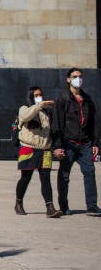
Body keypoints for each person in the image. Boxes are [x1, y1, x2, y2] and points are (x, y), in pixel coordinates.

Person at [52, 68, 99, 216]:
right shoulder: (63, 99)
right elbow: (57, 123)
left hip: (85, 143)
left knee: (90, 172)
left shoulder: (87, 99)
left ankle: (92, 206)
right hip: (68, 143)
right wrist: (57, 146)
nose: (78, 79)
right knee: (64, 175)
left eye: (80, 76)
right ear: (68, 79)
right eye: (74, 76)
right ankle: (64, 206)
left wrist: (95, 143)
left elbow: (93, 123)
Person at [15, 86, 61, 217]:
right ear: (30, 96)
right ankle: (18, 203)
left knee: (46, 178)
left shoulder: (46, 113)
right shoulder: (24, 109)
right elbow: (26, 116)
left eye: (40, 94)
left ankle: (50, 207)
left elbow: (51, 130)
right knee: (26, 177)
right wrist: (39, 105)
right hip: (28, 148)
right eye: (36, 95)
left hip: (45, 149)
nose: (39, 97)